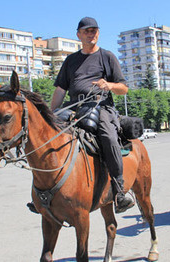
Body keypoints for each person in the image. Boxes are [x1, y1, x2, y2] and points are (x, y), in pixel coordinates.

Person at [44, 17, 133, 214]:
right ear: (79, 35)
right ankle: (44, 192)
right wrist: (50, 115)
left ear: (98, 33)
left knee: (108, 136)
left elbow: (123, 88)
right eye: (86, 31)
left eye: (94, 30)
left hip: (101, 107)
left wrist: (109, 85)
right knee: (45, 136)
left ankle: (119, 190)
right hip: (74, 107)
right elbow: (60, 90)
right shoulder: (71, 61)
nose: (90, 34)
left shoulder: (107, 56)